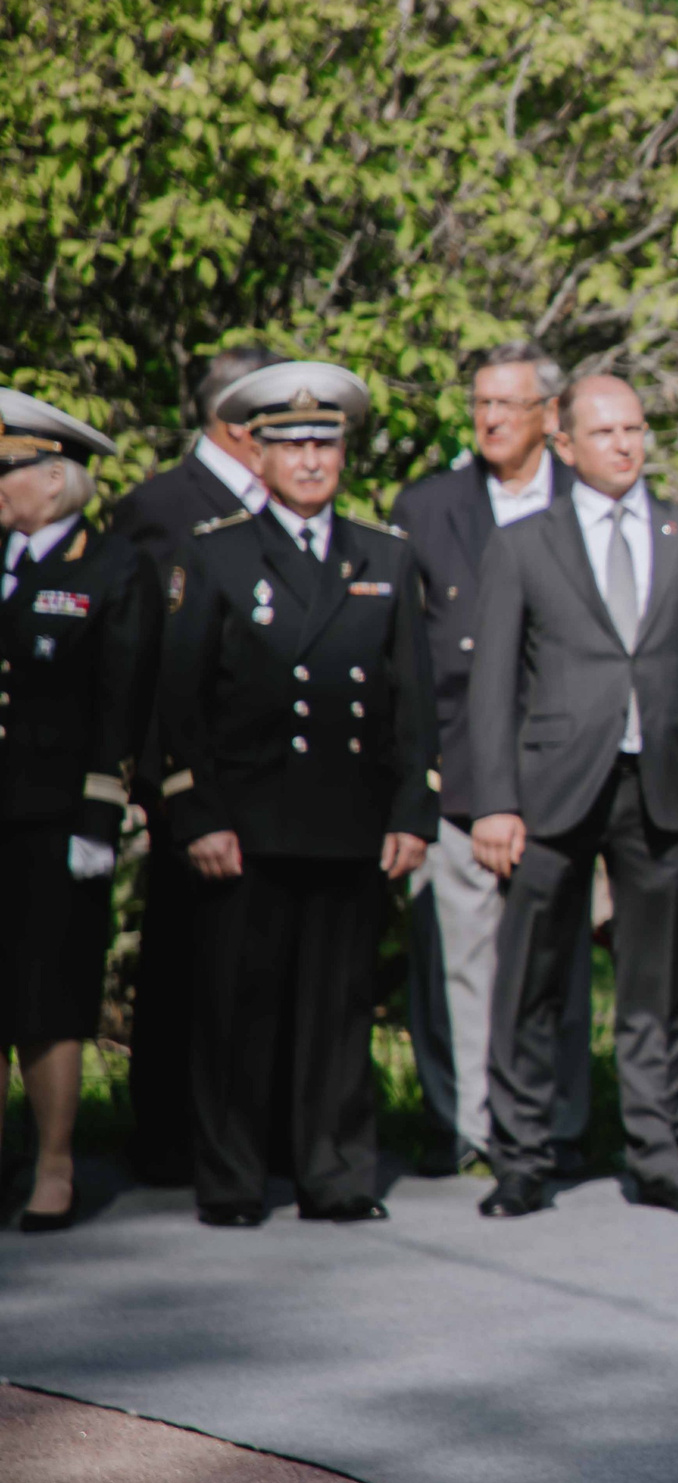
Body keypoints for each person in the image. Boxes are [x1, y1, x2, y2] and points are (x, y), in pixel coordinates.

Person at [466, 373, 678, 1220]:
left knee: (655, 984)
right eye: (605, 432)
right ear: (565, 443)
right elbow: (493, 687)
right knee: (531, 979)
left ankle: (659, 1155)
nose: (625, 445)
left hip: (661, 782)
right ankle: (521, 1158)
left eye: (634, 429)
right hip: (552, 787)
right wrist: (494, 801)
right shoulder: (525, 543)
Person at [157, 362, 437, 1227]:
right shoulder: (216, 552)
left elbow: (413, 700)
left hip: (348, 817)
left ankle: (335, 1172)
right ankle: (233, 1178)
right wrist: (197, 811)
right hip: (248, 822)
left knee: (338, 1008)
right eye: (292, 445)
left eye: (325, 443)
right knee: (237, 1008)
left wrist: (413, 811)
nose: (311, 460)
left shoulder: (385, 554)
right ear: (260, 454)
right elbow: (178, 702)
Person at [387, 340, 592, 1178]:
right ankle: (477, 1128)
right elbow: (406, 653)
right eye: (480, 403)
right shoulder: (428, 506)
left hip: (565, 769)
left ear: (550, 413)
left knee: (557, 960)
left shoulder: (588, 497)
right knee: (462, 960)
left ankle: (557, 1123)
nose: (490, 418)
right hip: (459, 766)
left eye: (508, 403)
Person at [105, 344, 280, 1187]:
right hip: (189, 780)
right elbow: (140, 655)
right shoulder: (161, 507)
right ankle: (169, 1137)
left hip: (275, 779)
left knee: (259, 963)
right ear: (237, 424)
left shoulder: (283, 503)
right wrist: (162, 781)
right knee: (181, 960)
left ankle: (255, 1129)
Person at [0, 392, 156, 1232]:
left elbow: (121, 701)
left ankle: (54, 1164)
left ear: (54, 478)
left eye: (5, 468)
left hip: (57, 812)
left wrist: (101, 814)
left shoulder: (111, 567)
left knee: (49, 994)